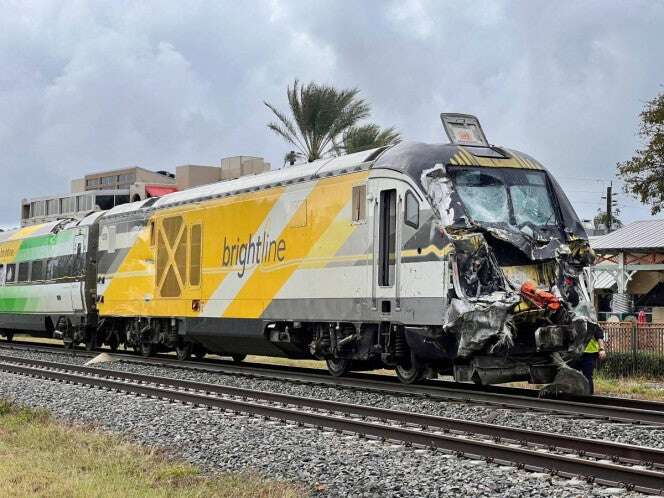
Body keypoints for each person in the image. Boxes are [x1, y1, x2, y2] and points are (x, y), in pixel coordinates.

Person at [579, 327, 607, 395]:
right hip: (575, 352)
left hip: (589, 353)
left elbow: (599, 335)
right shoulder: (574, 318)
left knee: (587, 376)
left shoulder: (592, 322)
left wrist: (602, 349)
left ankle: (589, 397)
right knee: (571, 374)